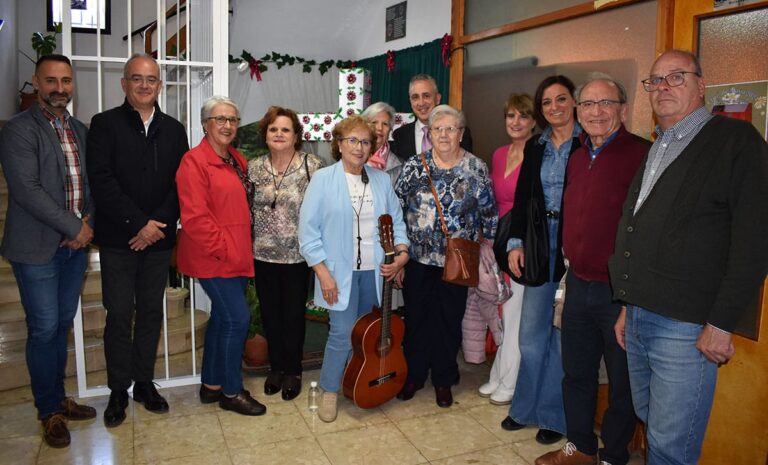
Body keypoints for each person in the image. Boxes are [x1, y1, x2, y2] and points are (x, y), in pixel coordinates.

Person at [610, 50, 768, 465]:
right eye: (655, 80)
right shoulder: (658, 145)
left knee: (670, 446)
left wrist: (721, 323)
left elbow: (754, 241)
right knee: (650, 422)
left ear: (702, 85)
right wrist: (629, 305)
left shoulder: (736, 141)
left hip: (686, 325)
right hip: (642, 316)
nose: (663, 87)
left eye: (676, 77)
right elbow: (639, 225)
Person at [535, 76, 649, 465]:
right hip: (579, 285)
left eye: (606, 103)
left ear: (624, 108)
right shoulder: (578, 155)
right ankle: (580, 447)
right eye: (588, 104)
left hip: (620, 292)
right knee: (577, 375)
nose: (596, 112)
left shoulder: (642, 156)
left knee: (623, 383)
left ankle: (613, 456)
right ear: (578, 112)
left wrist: (630, 300)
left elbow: (647, 230)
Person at [86, 53, 189, 427]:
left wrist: (156, 226)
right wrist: (138, 224)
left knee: (149, 313)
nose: (145, 85)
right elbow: (102, 180)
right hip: (119, 240)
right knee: (118, 314)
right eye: (137, 78)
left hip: (159, 241)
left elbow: (182, 184)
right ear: (124, 83)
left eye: (151, 79)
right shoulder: (104, 124)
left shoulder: (175, 129)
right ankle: (118, 389)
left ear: (160, 85)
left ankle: (143, 383)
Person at [0, 54, 97, 448]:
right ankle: (49, 411)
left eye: (67, 81)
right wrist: (76, 226)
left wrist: (86, 222)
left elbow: (91, 183)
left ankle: (58, 398)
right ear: (36, 83)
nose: (60, 88)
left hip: (74, 248)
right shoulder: (19, 131)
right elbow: (27, 191)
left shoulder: (80, 129)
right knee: (42, 328)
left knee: (60, 326)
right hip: (36, 248)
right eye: (51, 81)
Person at [299, 115, 409, 423]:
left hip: (375, 274)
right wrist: (322, 273)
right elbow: (308, 233)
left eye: (365, 142)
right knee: (342, 332)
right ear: (338, 144)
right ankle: (330, 390)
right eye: (352, 141)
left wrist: (401, 255)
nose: (359, 148)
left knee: (367, 336)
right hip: (336, 273)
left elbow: (397, 222)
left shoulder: (381, 179)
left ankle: (356, 381)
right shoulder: (323, 180)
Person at [395, 104, 497, 408]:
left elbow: (489, 215)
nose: (444, 134)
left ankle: (443, 378)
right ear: (429, 133)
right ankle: (414, 376)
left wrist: (485, 247)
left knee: (449, 321)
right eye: (438, 129)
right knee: (416, 319)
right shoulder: (414, 166)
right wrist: (397, 255)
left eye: (450, 128)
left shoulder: (476, 168)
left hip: (458, 262)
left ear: (461, 133)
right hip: (417, 260)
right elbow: (397, 208)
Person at [499, 75, 582, 445]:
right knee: (531, 336)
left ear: (574, 101)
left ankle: (553, 414)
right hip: (536, 244)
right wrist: (515, 241)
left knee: (561, 339)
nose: (554, 108)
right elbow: (522, 197)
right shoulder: (536, 146)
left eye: (561, 100)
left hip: (573, 247)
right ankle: (524, 408)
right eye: (547, 103)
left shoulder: (588, 143)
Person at [176, 96, 267, 416]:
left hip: (236, 255)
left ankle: (211, 385)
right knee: (237, 319)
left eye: (232, 119)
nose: (228, 125)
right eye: (220, 119)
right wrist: (226, 251)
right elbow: (196, 219)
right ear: (205, 124)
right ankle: (231, 390)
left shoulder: (236, 160)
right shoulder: (194, 162)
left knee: (222, 318)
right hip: (213, 257)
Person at [248, 106, 323, 401]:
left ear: (296, 136)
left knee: (293, 315)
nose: (279, 134)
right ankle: (276, 368)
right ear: (266, 135)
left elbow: (323, 210)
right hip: (261, 255)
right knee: (270, 315)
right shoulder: (253, 168)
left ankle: (293, 371)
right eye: (273, 129)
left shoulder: (312, 165)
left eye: (285, 130)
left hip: (298, 256)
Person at [476, 93, 536, 405]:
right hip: (495, 243)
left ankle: (509, 382)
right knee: (501, 313)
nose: (516, 122)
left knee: (514, 315)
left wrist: (521, 245)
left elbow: (533, 207)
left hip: (521, 246)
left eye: (523, 116)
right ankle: (498, 373)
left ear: (534, 121)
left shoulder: (538, 154)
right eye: (511, 116)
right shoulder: (499, 154)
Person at [391, 74, 473, 162]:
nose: (421, 103)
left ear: (437, 99)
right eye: (415, 97)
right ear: (410, 101)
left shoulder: (458, 132)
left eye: (426, 96)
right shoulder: (399, 135)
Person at [362, 101, 402, 184]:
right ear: (365, 126)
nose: (379, 128)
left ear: (390, 129)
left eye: (385, 124)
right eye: (374, 122)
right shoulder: (350, 158)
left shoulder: (400, 166)